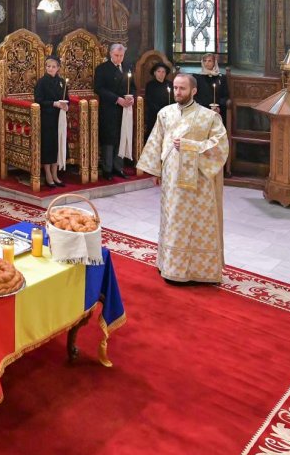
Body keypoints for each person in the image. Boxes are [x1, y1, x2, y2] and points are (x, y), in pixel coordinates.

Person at [135, 73, 230, 284]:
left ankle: (199, 270)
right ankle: (170, 265)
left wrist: (192, 147)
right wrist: (155, 170)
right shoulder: (165, 113)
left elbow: (221, 145)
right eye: (176, 88)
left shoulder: (209, 117)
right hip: (171, 179)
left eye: (182, 89)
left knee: (196, 223)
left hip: (199, 182)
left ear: (193, 91)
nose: (178, 92)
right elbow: (156, 141)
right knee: (173, 220)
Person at [93, 43, 135, 180]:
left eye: (121, 56)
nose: (119, 58)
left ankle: (119, 167)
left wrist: (131, 97)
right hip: (109, 108)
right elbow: (99, 88)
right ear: (110, 54)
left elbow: (132, 86)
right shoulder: (102, 69)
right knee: (109, 139)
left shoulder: (127, 67)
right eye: (116, 55)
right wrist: (117, 99)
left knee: (122, 136)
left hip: (124, 109)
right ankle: (107, 169)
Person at [33, 57, 69, 188]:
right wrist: (54, 103)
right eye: (48, 66)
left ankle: (55, 174)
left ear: (58, 68)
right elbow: (38, 100)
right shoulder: (42, 82)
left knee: (57, 145)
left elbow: (67, 98)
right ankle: (47, 174)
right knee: (48, 146)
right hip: (47, 118)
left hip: (59, 118)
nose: (51, 69)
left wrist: (65, 106)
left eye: (53, 66)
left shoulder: (61, 82)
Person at [193, 53, 230, 122]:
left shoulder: (221, 77)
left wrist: (219, 107)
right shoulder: (197, 77)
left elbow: (225, 95)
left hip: (217, 109)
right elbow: (194, 95)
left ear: (214, 62)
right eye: (205, 61)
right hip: (201, 108)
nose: (207, 63)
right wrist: (203, 108)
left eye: (210, 61)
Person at [143, 62, 174, 141]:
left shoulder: (170, 84)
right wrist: (160, 111)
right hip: (154, 114)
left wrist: (168, 111)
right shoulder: (150, 85)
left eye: (163, 72)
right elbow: (149, 100)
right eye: (159, 71)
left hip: (168, 114)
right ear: (154, 73)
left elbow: (173, 99)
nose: (161, 74)